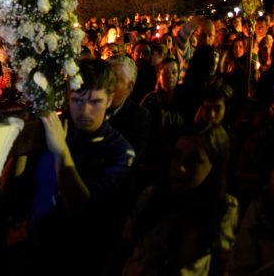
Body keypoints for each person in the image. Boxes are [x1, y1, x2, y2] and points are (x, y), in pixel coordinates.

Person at [32, 59, 136, 261]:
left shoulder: (120, 152)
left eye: (95, 102)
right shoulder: (58, 129)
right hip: (37, 244)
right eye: (77, 101)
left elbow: (83, 209)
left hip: (82, 254)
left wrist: (61, 151)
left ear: (109, 100)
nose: (85, 111)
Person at [120, 123, 238, 276]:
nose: (180, 168)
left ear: (214, 166)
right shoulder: (152, 196)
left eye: (193, 161)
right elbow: (123, 247)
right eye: (176, 156)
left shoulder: (223, 209)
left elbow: (222, 265)